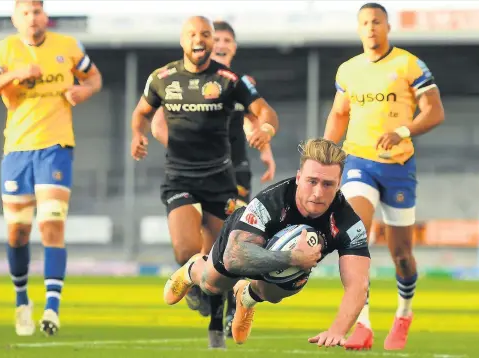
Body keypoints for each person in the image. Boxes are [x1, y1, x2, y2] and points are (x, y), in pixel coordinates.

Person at [130, 16, 278, 348]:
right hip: (180, 176)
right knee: (185, 250)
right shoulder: (163, 78)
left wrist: (265, 132)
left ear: (216, 43)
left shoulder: (230, 80)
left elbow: (264, 112)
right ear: (183, 40)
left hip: (222, 179)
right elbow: (142, 114)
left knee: (221, 259)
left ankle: (216, 322)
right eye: (193, 34)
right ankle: (189, 280)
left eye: (207, 35)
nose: (201, 40)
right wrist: (137, 136)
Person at [0, 0, 102, 337]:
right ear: (15, 19)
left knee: (51, 225)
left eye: (37, 11)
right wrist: (16, 74)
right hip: (16, 152)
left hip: (55, 148)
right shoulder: (5, 50)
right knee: (18, 233)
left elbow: (94, 76)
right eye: (25, 12)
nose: (32, 17)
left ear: (46, 16)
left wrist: (83, 90)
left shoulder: (67, 47)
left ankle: (52, 309)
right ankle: (22, 301)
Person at [163, 138, 371, 349]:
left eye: (328, 184)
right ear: (299, 178)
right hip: (244, 246)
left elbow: (358, 285)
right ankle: (193, 269)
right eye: (312, 181)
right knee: (212, 285)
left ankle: (247, 296)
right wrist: (293, 257)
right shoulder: (270, 202)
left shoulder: (349, 223)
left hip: (286, 264)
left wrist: (338, 330)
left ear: (339, 184)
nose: (318, 193)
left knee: (276, 292)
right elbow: (234, 258)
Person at [323, 2, 445, 351]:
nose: (371, 27)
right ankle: (362, 325)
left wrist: (403, 131)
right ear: (359, 29)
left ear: (387, 26)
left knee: (401, 255)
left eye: (376, 21)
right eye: (364, 22)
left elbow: (434, 111)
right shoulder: (348, 70)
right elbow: (338, 113)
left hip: (398, 168)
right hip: (359, 160)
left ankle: (403, 313)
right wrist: (324, 155)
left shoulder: (408, 64)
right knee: (354, 236)